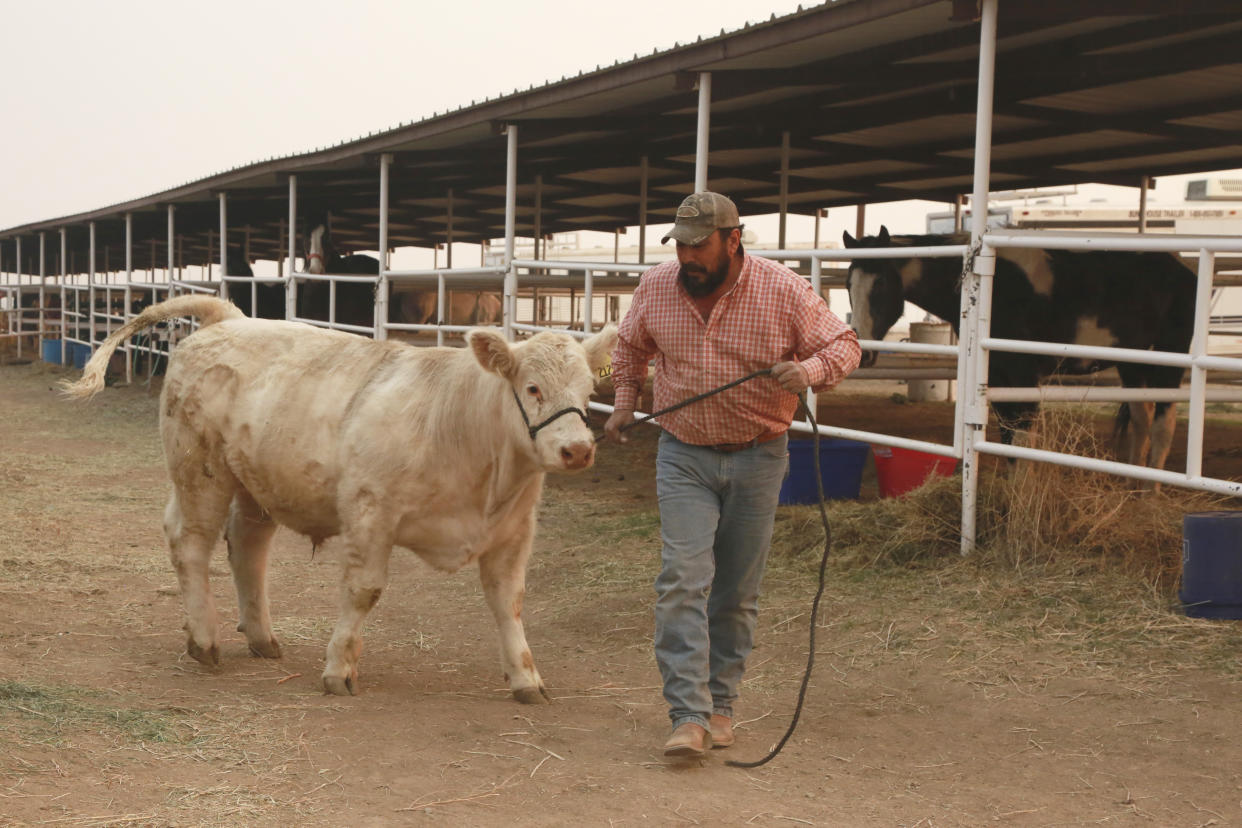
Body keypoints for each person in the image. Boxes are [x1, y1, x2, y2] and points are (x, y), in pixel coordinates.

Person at [603, 191, 861, 758]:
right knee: (680, 580)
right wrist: (626, 399)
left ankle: (722, 706)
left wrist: (809, 369)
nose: (688, 257)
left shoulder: (782, 289)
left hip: (759, 454)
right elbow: (630, 347)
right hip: (683, 452)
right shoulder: (657, 287)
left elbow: (844, 345)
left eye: (699, 245)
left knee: (736, 592)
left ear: (732, 239)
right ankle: (688, 715)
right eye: (681, 246)